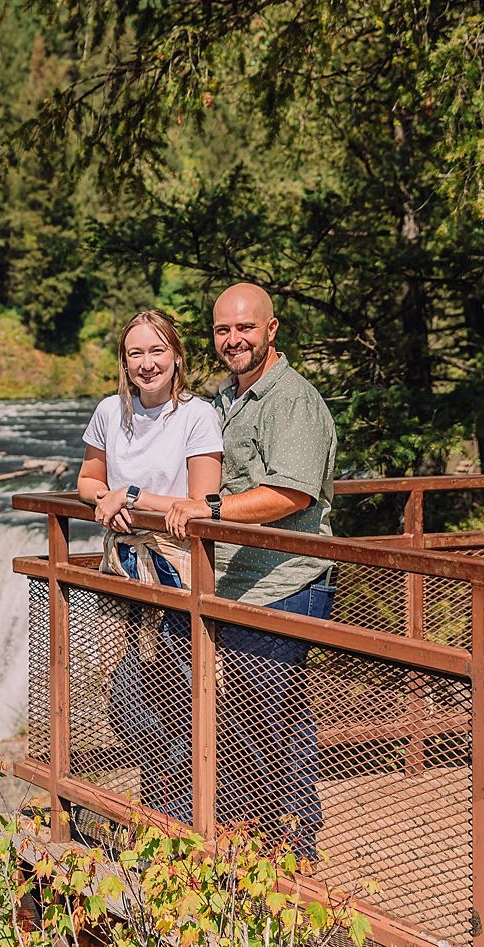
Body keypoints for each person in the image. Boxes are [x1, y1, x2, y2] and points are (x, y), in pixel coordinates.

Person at [165, 283, 338, 859]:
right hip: (231, 582)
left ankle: (297, 843)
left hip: (286, 581)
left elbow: (291, 493)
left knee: (276, 709)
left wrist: (206, 510)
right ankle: (245, 832)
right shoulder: (225, 400)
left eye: (245, 328)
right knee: (237, 710)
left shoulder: (292, 399)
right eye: (222, 330)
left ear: (272, 329)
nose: (233, 339)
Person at [78, 310, 223, 821]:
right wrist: (104, 499)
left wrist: (133, 497)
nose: (147, 363)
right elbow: (88, 479)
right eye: (135, 353)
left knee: (184, 692)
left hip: (179, 568)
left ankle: (182, 818)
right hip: (122, 569)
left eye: (157, 351)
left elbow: (203, 500)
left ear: (177, 356)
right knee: (123, 691)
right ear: (123, 361)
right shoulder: (108, 413)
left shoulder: (196, 416)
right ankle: (160, 795)